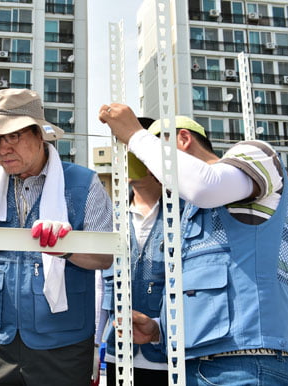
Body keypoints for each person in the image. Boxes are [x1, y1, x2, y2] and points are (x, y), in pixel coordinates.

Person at [101, 104, 288, 385]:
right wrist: (158, 330)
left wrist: (135, 135)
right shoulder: (189, 212)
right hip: (197, 367)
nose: (151, 170)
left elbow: (205, 186)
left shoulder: (257, 155)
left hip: (247, 362)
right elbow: (204, 284)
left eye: (154, 153)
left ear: (183, 139)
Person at [0, 88, 113, 386]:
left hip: (64, 345)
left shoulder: (84, 184)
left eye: (12, 136)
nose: (2, 148)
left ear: (39, 135)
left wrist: (66, 249)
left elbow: (105, 256)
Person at [101, 118, 169, 385]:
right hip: (118, 356)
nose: (126, 157)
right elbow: (100, 288)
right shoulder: (111, 217)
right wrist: (96, 348)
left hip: (171, 357)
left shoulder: (186, 215)